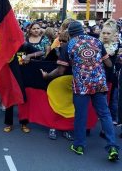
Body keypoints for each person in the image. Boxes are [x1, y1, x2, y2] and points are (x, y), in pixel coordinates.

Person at [41, 21, 119, 162]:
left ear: (70, 33)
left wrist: (47, 76)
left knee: (80, 116)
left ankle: (79, 145)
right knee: (105, 115)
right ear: (83, 30)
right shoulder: (96, 41)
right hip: (99, 84)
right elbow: (108, 64)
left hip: (81, 86)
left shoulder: (68, 46)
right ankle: (112, 146)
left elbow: (60, 71)